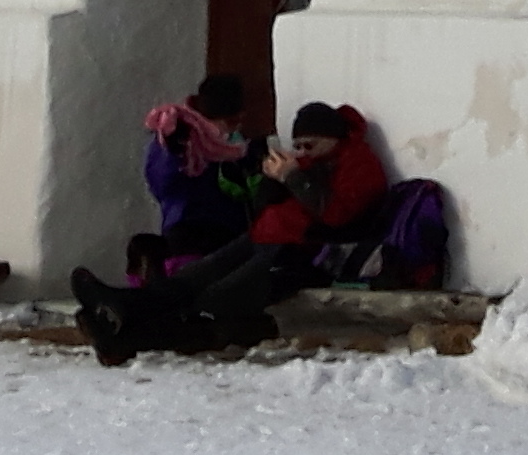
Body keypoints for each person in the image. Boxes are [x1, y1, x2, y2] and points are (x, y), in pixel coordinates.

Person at [73, 102, 438, 364]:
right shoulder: (314, 161)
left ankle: (128, 333)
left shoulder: (359, 165)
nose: (302, 153)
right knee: (192, 277)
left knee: (215, 298)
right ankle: (118, 306)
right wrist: (270, 180)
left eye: (310, 146)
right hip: (268, 237)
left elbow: (338, 215)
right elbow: (266, 207)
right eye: (299, 146)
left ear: (332, 140)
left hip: (303, 252)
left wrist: (294, 178)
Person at [131, 73, 267, 280]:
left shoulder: (240, 148)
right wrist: (176, 153)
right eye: (230, 122)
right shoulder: (180, 137)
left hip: (228, 235)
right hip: (189, 232)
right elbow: (163, 184)